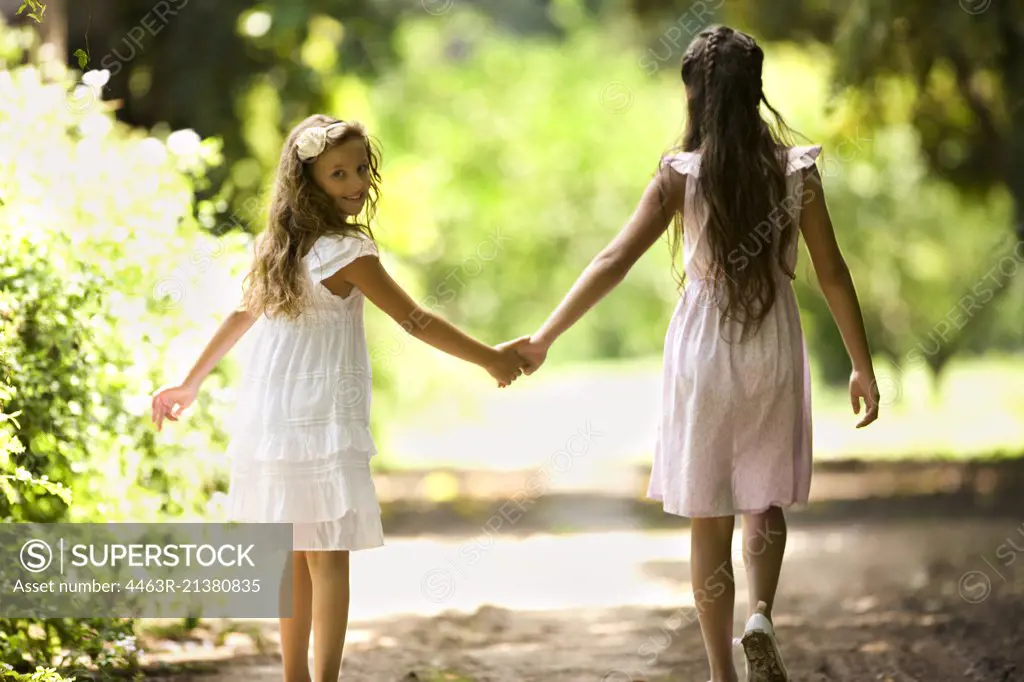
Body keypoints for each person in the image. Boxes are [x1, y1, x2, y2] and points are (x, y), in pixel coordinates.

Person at [511, 25, 880, 682]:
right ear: (755, 93)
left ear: (694, 97)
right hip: (772, 341)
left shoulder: (680, 176)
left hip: (702, 349)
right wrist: (862, 365)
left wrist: (544, 337)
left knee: (709, 514)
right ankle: (760, 615)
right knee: (761, 502)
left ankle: (719, 671)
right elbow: (832, 272)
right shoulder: (796, 172)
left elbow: (613, 260)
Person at [151, 114, 528, 682]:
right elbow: (416, 321)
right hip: (320, 412)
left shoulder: (275, 245)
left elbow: (239, 315)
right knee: (326, 556)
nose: (354, 183)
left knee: (298, 553)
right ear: (309, 183)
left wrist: (192, 380)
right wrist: (491, 357)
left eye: (360, 169)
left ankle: (296, 678)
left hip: (271, 412)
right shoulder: (346, 250)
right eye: (337, 174)